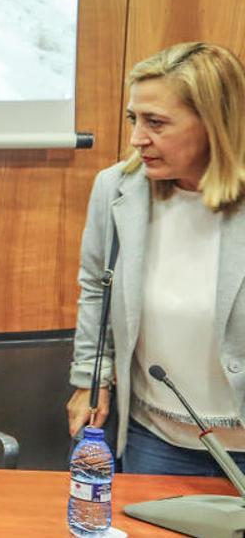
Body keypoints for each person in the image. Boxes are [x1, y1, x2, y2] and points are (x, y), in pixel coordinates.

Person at [67, 42, 245, 476]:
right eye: (134, 119)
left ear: (213, 124)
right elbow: (96, 286)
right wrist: (91, 376)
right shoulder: (118, 190)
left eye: (156, 123)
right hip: (155, 437)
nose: (136, 138)